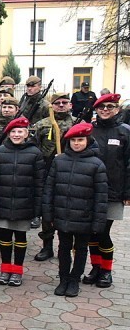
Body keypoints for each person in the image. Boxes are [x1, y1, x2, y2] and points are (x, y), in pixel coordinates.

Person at [43, 122, 108, 297]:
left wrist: (98, 222)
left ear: (87, 141)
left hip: (84, 217)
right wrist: (47, 214)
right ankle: (63, 278)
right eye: (73, 140)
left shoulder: (96, 165)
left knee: (81, 249)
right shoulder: (59, 160)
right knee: (63, 248)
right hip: (62, 214)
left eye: (80, 140)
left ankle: (74, 279)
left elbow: (101, 197)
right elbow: (49, 188)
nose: (77, 143)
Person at [0, 117, 45, 287]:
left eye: (20, 131)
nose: (17, 134)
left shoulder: (35, 153)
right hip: (3, 203)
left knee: (20, 238)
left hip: (24, 204)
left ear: (27, 133)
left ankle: (17, 270)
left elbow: (39, 183)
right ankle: (5, 269)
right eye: (13, 132)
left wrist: (38, 209)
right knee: (4, 238)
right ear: (8, 133)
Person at [86, 93, 130, 288]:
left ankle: (106, 270)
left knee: (103, 231)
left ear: (117, 109)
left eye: (110, 106)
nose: (105, 110)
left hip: (113, 191)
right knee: (92, 233)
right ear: (96, 110)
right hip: (89, 191)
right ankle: (96, 267)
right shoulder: (89, 131)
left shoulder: (124, 132)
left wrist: (128, 192)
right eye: (102, 107)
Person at [31, 92, 75, 262]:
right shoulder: (42, 125)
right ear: (52, 105)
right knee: (47, 211)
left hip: (71, 174)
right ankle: (46, 247)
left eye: (65, 102)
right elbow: (34, 149)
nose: (61, 105)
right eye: (58, 103)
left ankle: (65, 247)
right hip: (47, 173)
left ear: (70, 105)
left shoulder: (77, 124)